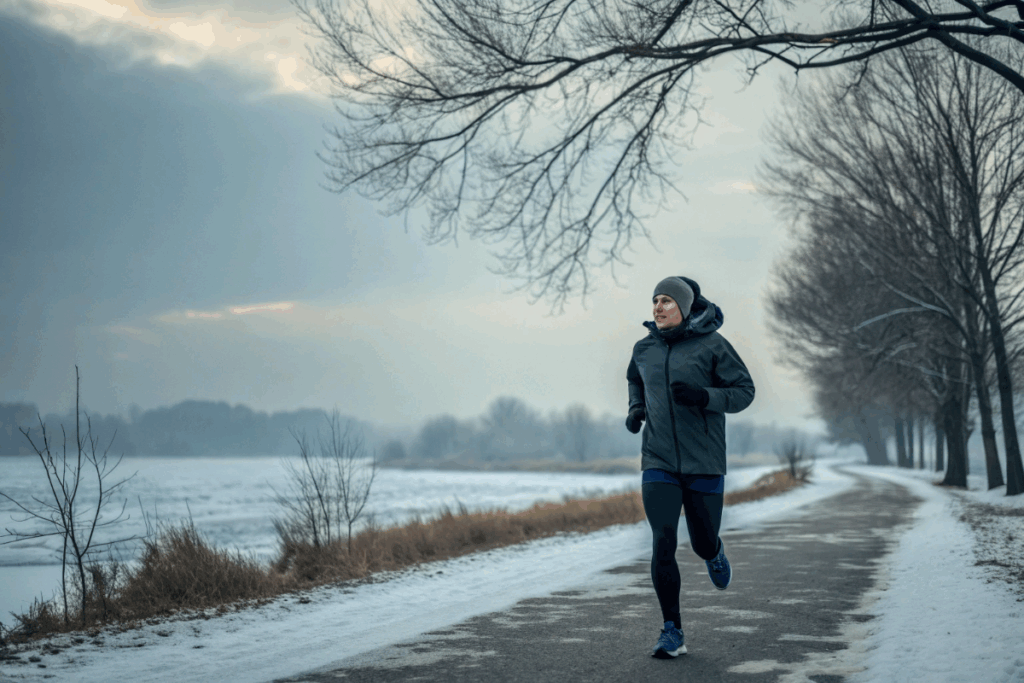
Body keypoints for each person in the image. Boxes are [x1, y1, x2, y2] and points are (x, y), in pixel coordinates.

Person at [625, 276, 755, 658]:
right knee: (663, 540)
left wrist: (704, 396)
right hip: (659, 460)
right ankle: (672, 631)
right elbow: (635, 379)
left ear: (683, 306)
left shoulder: (713, 345)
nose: (658, 308)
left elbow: (744, 391)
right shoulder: (644, 348)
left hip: (705, 462)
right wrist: (636, 409)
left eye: (666, 301)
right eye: (655, 301)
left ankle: (714, 551)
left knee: (700, 541)